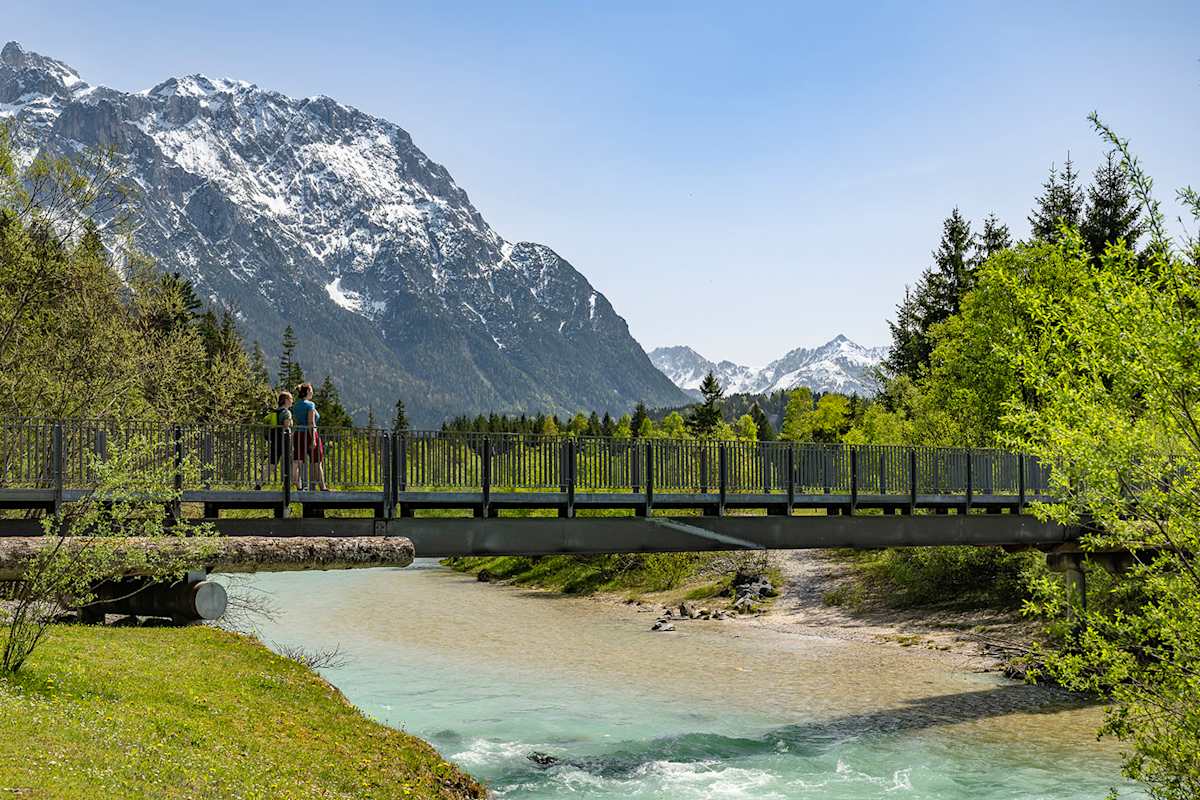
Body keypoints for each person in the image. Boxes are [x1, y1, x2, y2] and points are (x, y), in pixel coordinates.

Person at [292, 382, 328, 491]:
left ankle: (297, 484)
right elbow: (311, 423)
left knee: (297, 460)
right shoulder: (310, 405)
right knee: (317, 461)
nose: (312, 392)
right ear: (307, 391)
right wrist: (313, 439)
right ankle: (322, 487)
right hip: (310, 433)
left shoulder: (296, 405)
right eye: (311, 390)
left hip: (298, 433)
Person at [256, 391, 293, 490]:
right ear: (286, 401)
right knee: (289, 462)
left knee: (272, 463)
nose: (292, 401)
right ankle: (287, 486)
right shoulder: (286, 412)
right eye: (291, 399)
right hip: (284, 439)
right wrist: (291, 423)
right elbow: (286, 425)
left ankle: (259, 482)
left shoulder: (274, 412)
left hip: (274, 438)